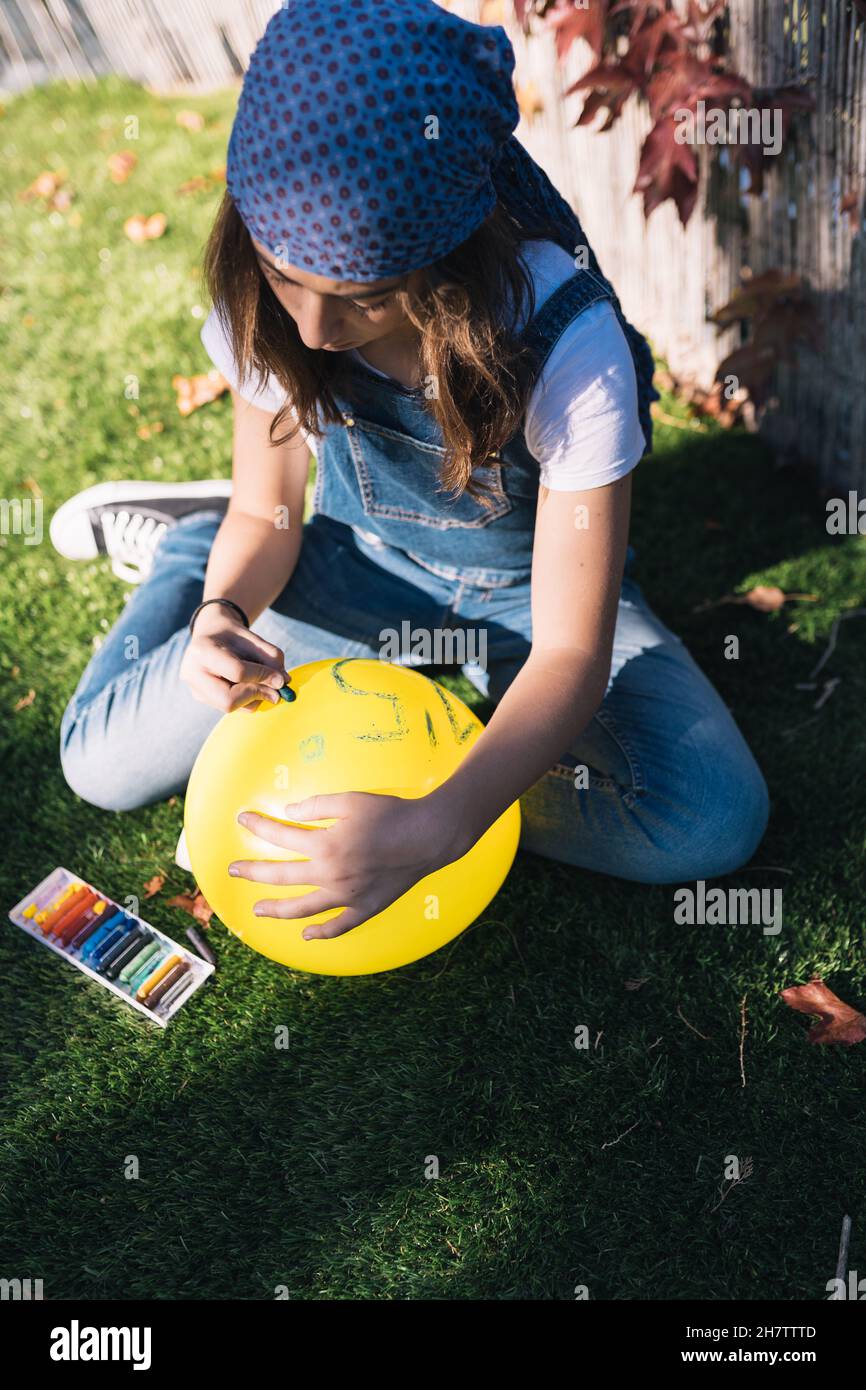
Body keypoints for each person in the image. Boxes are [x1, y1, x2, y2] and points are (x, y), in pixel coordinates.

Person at [53, 0, 769, 940]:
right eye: (282, 274)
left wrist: (442, 820)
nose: (310, 330)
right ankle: (186, 550)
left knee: (708, 821)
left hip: (528, 604)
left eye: (368, 299)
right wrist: (222, 612)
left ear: (448, 264)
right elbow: (270, 512)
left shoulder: (566, 341)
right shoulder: (266, 305)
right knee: (98, 766)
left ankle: (438, 728)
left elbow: (568, 652)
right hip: (355, 570)